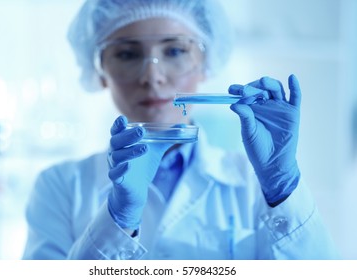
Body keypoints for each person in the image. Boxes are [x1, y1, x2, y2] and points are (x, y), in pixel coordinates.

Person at [22, 0, 340, 260]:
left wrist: (282, 188)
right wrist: (118, 220)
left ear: (206, 62)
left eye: (174, 51)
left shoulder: (255, 186)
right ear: (100, 70)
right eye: (127, 54)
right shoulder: (60, 186)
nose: (152, 76)